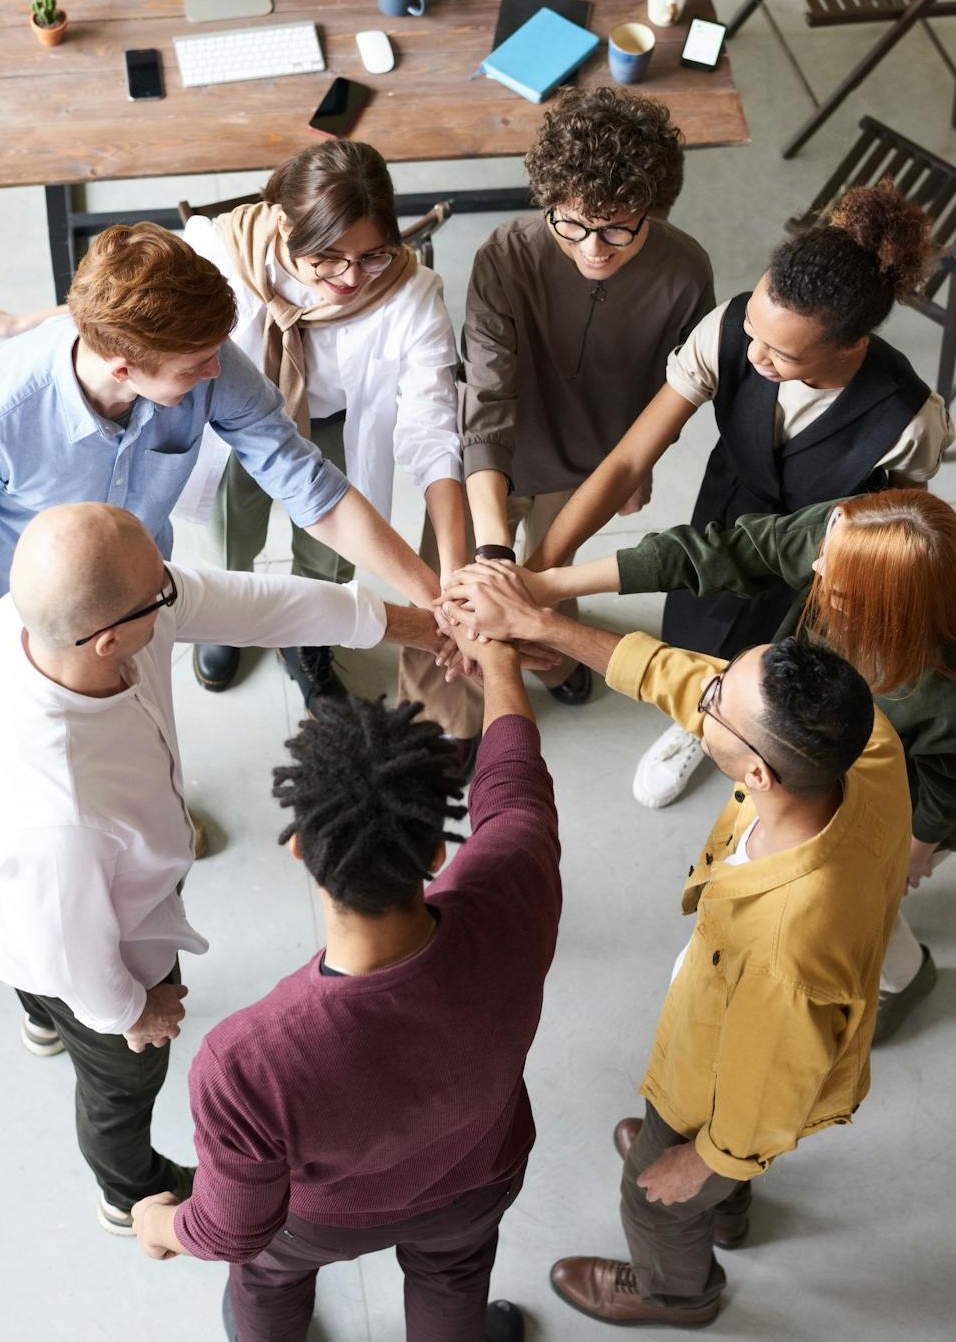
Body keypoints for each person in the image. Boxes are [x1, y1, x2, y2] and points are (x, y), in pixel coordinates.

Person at [440, 560, 910, 1327]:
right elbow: (687, 682)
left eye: (719, 700)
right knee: (694, 1157)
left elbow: (770, 1094)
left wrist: (705, 1160)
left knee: (652, 1196)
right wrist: (544, 626)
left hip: (730, 1077)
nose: (705, 693)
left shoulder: (786, 951)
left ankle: (678, 1290)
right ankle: (728, 1206)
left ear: (756, 771)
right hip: (742, 1030)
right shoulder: (863, 744)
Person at [0, 502, 444, 1236]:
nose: (176, 590)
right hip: (87, 944)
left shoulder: (58, 616)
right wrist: (132, 1013)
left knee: (50, 984)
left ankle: (41, 1018)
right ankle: (126, 1188)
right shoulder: (65, 812)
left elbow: (258, 605)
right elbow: (65, 948)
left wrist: (414, 626)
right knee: (120, 1081)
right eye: (161, 592)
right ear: (110, 640)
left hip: (53, 891)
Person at [130, 628, 561, 1342]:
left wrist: (161, 1225)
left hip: (317, 1224)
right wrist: (503, 663)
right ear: (435, 846)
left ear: (300, 848)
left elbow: (234, 1230)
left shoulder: (246, 1062)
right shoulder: (515, 885)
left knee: (269, 1278)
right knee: (452, 1277)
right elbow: (516, 789)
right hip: (479, 1174)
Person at [524, 182, 953, 809]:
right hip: (727, 509)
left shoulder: (911, 420)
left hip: (819, 562)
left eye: (780, 352)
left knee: (778, 668)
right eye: (753, 328)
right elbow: (626, 460)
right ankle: (695, 721)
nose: (754, 356)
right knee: (696, 619)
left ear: (851, 345)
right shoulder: (727, 331)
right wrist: (540, 570)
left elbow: (892, 528)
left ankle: (743, 738)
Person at [495, 487, 956, 1039]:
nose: (813, 564)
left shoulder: (938, 693)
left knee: (864, 899)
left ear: (884, 609)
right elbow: (728, 553)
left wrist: (912, 851)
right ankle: (905, 968)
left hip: (895, 804)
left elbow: (945, 787)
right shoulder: (851, 535)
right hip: (815, 765)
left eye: (833, 578)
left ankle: (903, 980)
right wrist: (545, 591)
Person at [398, 85, 714, 738]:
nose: (594, 248)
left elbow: (669, 398)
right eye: (570, 224)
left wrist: (635, 476)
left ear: (653, 208)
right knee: (454, 588)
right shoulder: (506, 257)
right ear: (547, 201)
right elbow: (485, 407)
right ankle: (445, 719)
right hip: (492, 465)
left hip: (591, 463)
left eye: (618, 227)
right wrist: (490, 554)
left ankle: (550, 659)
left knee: (550, 580)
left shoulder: (685, 272)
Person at [0, 221, 438, 612]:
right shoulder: (10, 411)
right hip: (24, 607)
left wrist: (434, 600)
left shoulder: (205, 354)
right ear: (123, 371)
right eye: (193, 369)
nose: (215, 372)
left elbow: (308, 485)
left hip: (145, 591)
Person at [179, 141, 467, 720]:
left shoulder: (411, 294)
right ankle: (229, 616)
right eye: (330, 258)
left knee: (330, 554)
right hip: (235, 422)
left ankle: (308, 636)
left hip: (330, 425)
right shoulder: (218, 251)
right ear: (285, 227)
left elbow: (433, 430)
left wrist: (452, 580)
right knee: (230, 533)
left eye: (373, 256)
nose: (352, 277)